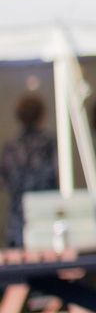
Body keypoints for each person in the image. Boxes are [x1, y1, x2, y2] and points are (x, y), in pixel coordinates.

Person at [1, 94, 57, 247]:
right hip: (46, 214)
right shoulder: (49, 143)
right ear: (42, 115)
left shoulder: (11, 145)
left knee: (20, 267)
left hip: (18, 218)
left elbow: (4, 180)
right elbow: (60, 175)